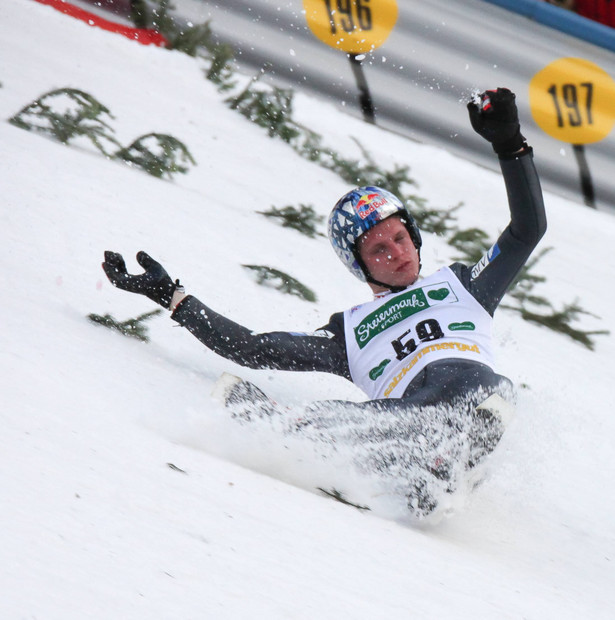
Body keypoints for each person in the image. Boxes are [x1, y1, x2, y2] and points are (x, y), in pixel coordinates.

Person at [102, 88, 546, 518]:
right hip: (400, 421)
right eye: (378, 250)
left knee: (489, 392)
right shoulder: (349, 332)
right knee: (357, 423)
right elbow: (255, 348)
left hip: (474, 396)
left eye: (399, 237)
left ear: (414, 234)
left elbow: (527, 229)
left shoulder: (465, 286)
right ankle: (414, 474)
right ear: (361, 266)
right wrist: (173, 297)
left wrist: (510, 144)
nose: (396, 253)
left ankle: (443, 461)